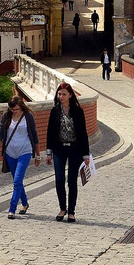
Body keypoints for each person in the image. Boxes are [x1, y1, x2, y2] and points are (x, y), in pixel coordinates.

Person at [45, 83, 91, 223]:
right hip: (59, 149)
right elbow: (50, 132)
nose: (61, 97)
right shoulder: (55, 111)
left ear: (70, 95)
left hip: (75, 149)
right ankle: (62, 208)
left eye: (64, 94)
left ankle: (71, 211)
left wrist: (86, 154)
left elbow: (83, 133)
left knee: (72, 181)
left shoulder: (78, 111)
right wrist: (49, 152)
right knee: (59, 180)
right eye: (59, 94)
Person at [0, 96, 40, 219]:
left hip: (25, 151)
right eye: (12, 109)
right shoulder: (6, 116)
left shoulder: (28, 117)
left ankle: (12, 208)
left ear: (21, 106)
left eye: (17, 109)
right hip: (10, 152)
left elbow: (34, 135)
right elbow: (0, 136)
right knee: (17, 181)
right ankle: (25, 204)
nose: (14, 111)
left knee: (17, 181)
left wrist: (38, 154)